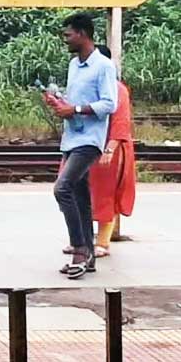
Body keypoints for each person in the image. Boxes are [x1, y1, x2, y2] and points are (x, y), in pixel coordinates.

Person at [44, 14, 118, 280]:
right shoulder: (74, 65)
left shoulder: (104, 66)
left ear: (83, 34)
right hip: (72, 138)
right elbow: (75, 101)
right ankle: (88, 257)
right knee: (80, 196)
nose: (65, 39)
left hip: (90, 140)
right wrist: (60, 103)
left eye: (68, 34)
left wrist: (74, 109)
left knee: (62, 188)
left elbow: (110, 104)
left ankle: (79, 249)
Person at [89, 45, 136, 257]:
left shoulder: (118, 89)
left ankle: (102, 242)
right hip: (89, 145)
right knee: (81, 192)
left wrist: (110, 148)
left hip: (110, 148)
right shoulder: (89, 84)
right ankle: (81, 239)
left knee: (105, 193)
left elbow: (121, 121)